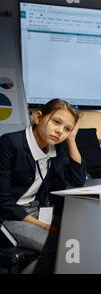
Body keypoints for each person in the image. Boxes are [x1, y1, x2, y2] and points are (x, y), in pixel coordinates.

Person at [0, 98, 86, 273]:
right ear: (39, 117)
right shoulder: (10, 144)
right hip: (10, 215)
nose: (59, 131)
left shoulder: (55, 146)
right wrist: (46, 227)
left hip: (36, 209)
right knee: (64, 247)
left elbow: (77, 179)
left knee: (80, 236)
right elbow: (3, 202)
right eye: (56, 122)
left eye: (67, 129)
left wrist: (71, 140)